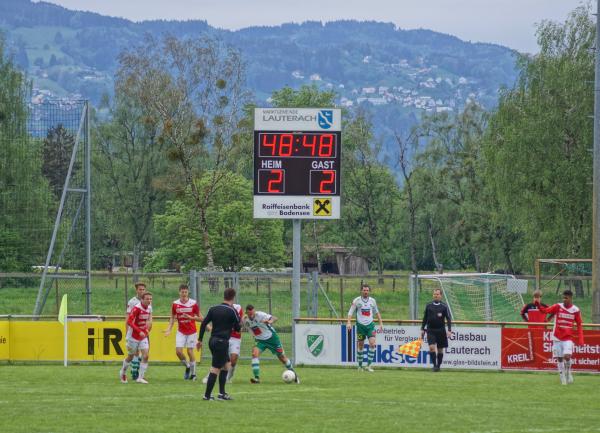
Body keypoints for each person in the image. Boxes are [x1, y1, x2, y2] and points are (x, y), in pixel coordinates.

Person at [196, 288, 241, 401]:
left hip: (212, 340)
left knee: (226, 365)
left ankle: (222, 393)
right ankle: (207, 395)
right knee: (215, 368)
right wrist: (238, 323)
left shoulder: (213, 309)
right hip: (221, 342)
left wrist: (200, 340)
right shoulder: (232, 311)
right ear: (233, 297)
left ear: (224, 296)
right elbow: (237, 328)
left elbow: (204, 323)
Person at [535, 289, 584, 385]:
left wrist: (581, 339)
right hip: (556, 337)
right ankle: (562, 378)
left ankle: (568, 372)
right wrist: (537, 302)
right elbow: (544, 311)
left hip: (568, 338)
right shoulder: (558, 306)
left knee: (567, 356)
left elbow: (579, 324)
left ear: (570, 298)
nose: (564, 299)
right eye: (563, 297)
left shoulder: (575, 310)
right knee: (560, 358)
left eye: (566, 298)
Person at [244, 304, 299, 384]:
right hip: (260, 341)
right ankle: (257, 378)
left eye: (253, 313)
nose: (252, 315)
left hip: (272, 338)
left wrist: (269, 321)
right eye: (250, 314)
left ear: (254, 311)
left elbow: (274, 318)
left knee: (282, 358)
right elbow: (243, 325)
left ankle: (294, 375)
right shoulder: (245, 320)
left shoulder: (260, 315)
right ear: (247, 313)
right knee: (254, 354)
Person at [163, 284, 203, 380]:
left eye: (185, 292)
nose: (184, 294)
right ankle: (187, 366)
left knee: (190, 351)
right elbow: (172, 317)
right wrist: (169, 328)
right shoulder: (175, 304)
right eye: (182, 292)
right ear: (179, 292)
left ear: (188, 292)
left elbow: (201, 318)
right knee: (178, 352)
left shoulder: (193, 303)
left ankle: (193, 374)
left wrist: (192, 318)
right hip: (181, 331)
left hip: (192, 331)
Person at [202, 302, 243, 384]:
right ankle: (210, 375)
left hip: (235, 337)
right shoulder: (221, 307)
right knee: (220, 358)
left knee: (233, 360)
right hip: (225, 337)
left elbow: (239, 322)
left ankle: (229, 375)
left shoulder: (238, 308)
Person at [346, 284, 383, 372]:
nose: (366, 292)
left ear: (369, 291)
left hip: (370, 326)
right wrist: (348, 322)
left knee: (372, 344)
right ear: (361, 291)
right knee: (361, 345)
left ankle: (368, 366)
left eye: (367, 290)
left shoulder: (372, 301)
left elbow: (377, 312)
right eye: (364, 290)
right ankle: (360, 366)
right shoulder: (357, 301)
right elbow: (350, 312)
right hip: (360, 327)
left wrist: (381, 323)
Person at [120, 291, 153, 384]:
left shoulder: (149, 308)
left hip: (142, 336)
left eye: (150, 299)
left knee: (146, 355)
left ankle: (140, 377)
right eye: (147, 299)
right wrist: (139, 331)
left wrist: (146, 330)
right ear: (142, 299)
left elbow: (146, 321)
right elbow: (129, 322)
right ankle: (123, 372)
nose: (149, 301)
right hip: (133, 336)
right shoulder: (137, 308)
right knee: (130, 356)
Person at [420, 288, 452, 372]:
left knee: (440, 350)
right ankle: (434, 366)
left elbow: (448, 318)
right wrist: (422, 328)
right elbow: (425, 318)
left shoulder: (444, 306)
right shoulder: (428, 305)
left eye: (437, 294)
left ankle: (438, 366)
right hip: (431, 330)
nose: (436, 296)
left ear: (440, 296)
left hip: (441, 330)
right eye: (434, 294)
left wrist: (449, 330)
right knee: (431, 348)